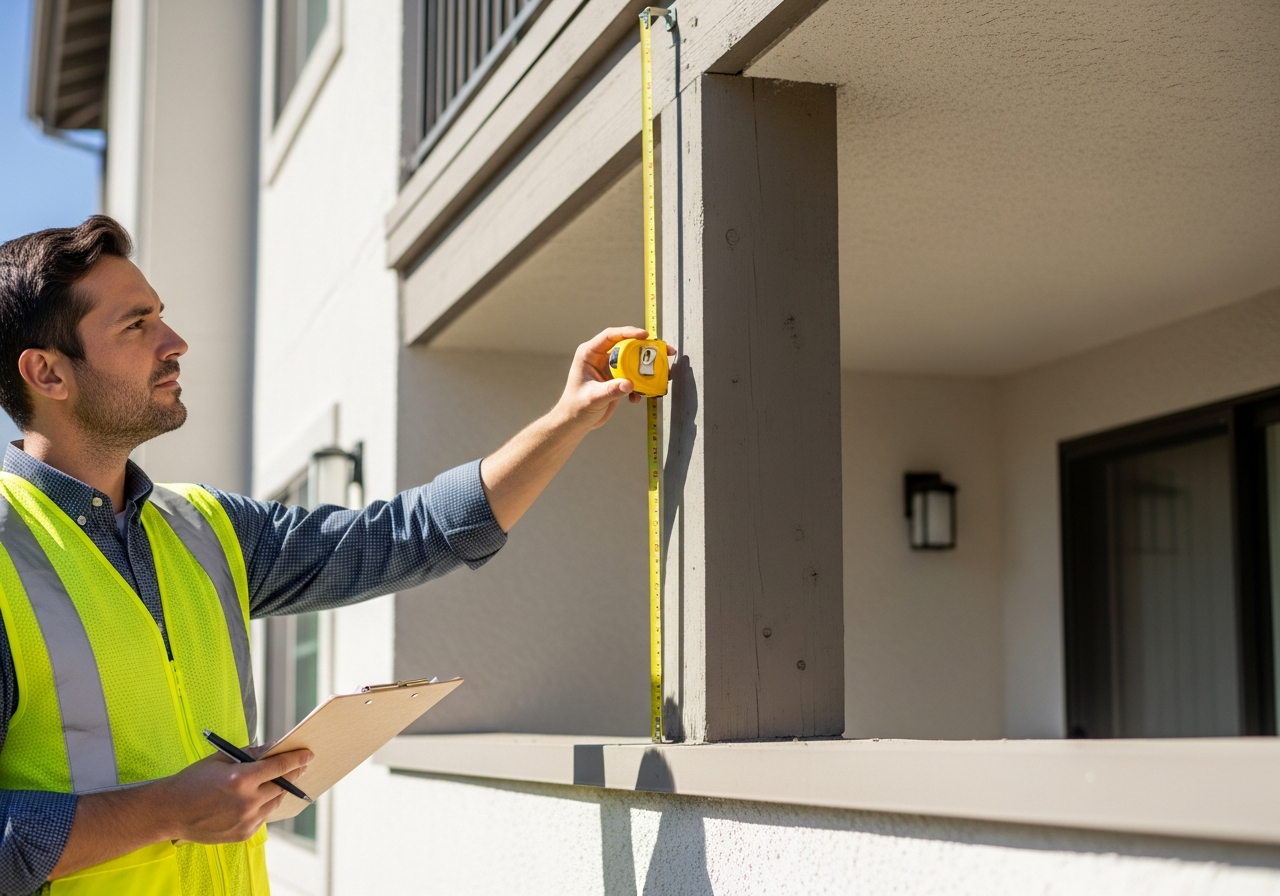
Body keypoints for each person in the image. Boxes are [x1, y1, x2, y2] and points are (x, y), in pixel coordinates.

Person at [0, 216, 666, 895]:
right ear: (47, 371)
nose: (175, 343)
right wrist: (168, 810)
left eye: (161, 317)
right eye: (136, 326)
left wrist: (567, 420)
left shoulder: (204, 526)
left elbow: (408, 535)